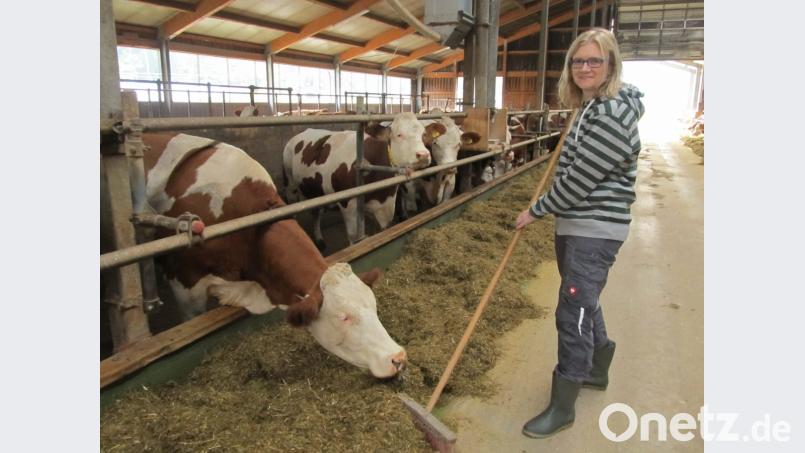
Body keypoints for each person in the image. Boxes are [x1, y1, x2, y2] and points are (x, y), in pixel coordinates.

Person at [515, 28, 645, 438]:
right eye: (578, 61)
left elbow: (579, 181)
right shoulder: (592, 106)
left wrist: (534, 211)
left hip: (593, 228)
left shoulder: (609, 114)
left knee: (573, 311)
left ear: (611, 66)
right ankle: (595, 369)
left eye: (594, 61)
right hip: (578, 225)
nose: (584, 67)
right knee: (585, 298)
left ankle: (563, 404)